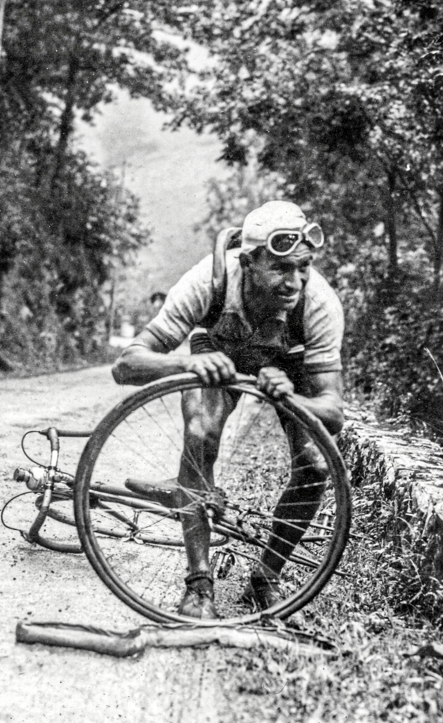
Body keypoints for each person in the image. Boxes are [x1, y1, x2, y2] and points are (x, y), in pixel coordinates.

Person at [111, 200, 345, 619]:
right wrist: (186, 363)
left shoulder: (320, 304)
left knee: (314, 463)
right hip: (218, 351)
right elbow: (127, 364)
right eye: (280, 268)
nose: (295, 282)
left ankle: (266, 577)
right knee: (201, 433)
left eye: (303, 267)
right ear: (248, 262)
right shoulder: (208, 281)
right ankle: (199, 583)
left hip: (289, 364)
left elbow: (332, 411)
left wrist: (291, 397)